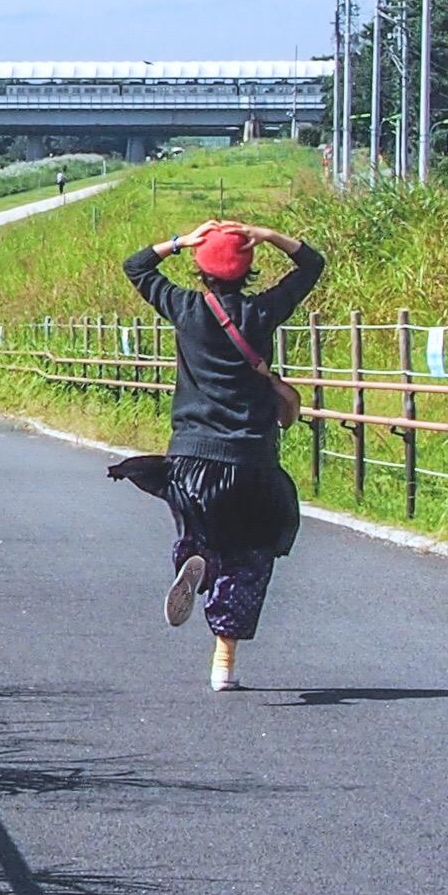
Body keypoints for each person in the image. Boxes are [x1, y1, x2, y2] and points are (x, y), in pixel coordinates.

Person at [113, 217, 326, 691]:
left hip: (191, 457)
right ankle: (223, 663)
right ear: (247, 269)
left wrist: (178, 240)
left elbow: (136, 267)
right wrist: (269, 235)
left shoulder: (184, 308)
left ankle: (197, 557)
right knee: (249, 556)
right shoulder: (260, 313)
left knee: (199, 529)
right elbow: (312, 266)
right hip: (250, 460)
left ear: (200, 269)